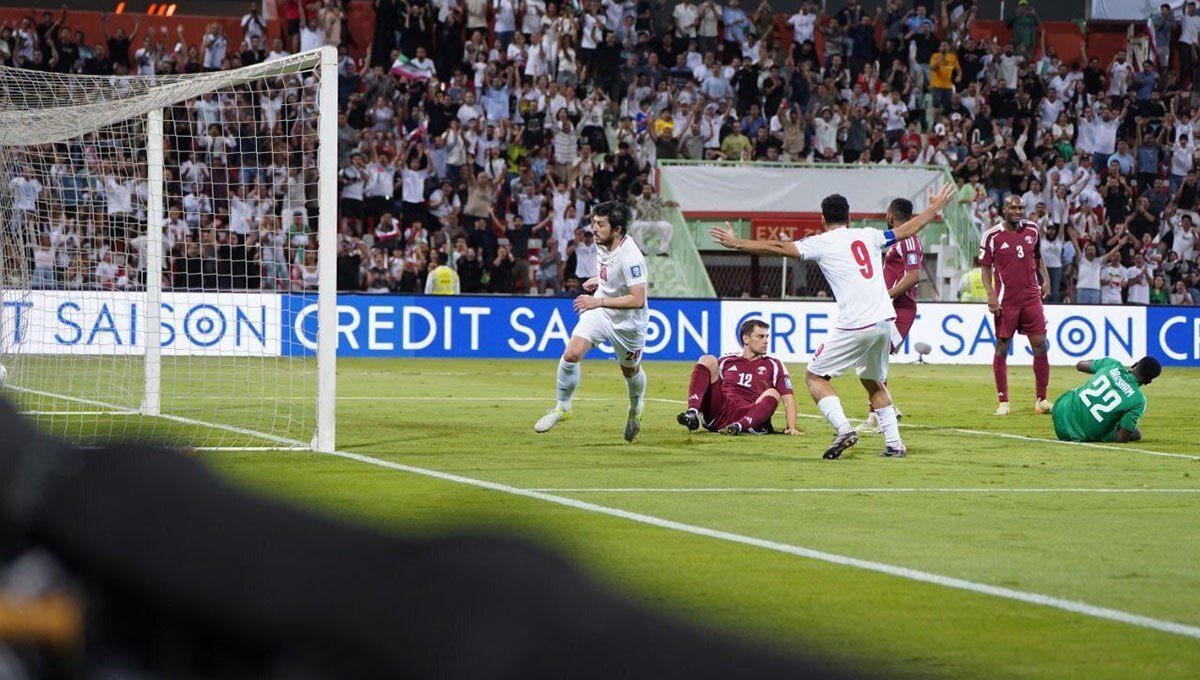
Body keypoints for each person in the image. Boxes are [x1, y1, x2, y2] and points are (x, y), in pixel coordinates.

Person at [709, 185, 956, 459]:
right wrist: (934, 208)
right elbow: (907, 230)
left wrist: (737, 243)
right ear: (849, 218)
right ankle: (895, 444)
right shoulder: (869, 235)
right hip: (885, 321)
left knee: (815, 375)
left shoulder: (820, 242)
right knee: (873, 380)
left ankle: (844, 429)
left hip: (856, 323)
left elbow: (778, 247)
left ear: (822, 220)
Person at [534, 201, 649, 442]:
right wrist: (599, 279)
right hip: (601, 309)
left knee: (630, 372)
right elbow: (612, 268)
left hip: (628, 322)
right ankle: (563, 408)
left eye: (600, 224)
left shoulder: (632, 258)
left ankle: (635, 410)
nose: (594, 229)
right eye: (593, 223)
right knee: (571, 354)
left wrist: (597, 302)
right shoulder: (603, 243)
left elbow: (638, 299)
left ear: (617, 229)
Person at [980, 195, 1052, 417]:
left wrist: (1046, 279)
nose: (1017, 211)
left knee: (1040, 345)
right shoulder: (991, 235)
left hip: (1031, 297)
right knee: (1002, 347)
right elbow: (985, 269)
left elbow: (1037, 257)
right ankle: (1003, 401)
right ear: (1004, 209)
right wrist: (991, 295)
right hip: (1006, 299)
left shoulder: (1032, 229)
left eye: (1020, 207)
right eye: (1013, 207)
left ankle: (1042, 400)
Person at [677, 318, 798, 436]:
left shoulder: (774, 364)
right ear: (746, 338)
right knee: (707, 359)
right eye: (760, 337)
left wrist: (791, 427)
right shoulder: (727, 360)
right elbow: (706, 380)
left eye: (767, 337)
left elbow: (789, 400)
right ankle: (692, 413)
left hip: (750, 413)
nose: (766, 341)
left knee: (773, 392)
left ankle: (738, 426)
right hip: (720, 411)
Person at [863, 198, 922, 430]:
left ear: (890, 215)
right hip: (888, 308)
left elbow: (913, 276)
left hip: (900, 309)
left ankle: (883, 412)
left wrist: (886, 296)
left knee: (874, 358)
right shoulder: (898, 240)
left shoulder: (909, 240)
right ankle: (877, 414)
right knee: (873, 359)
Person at [1050, 356, 1161, 442]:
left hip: (1059, 411)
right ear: (1148, 382)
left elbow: (1080, 365)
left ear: (1135, 364)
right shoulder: (1138, 401)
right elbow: (1121, 438)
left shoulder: (1112, 364)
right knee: (1136, 434)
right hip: (1076, 435)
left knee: (1076, 392)